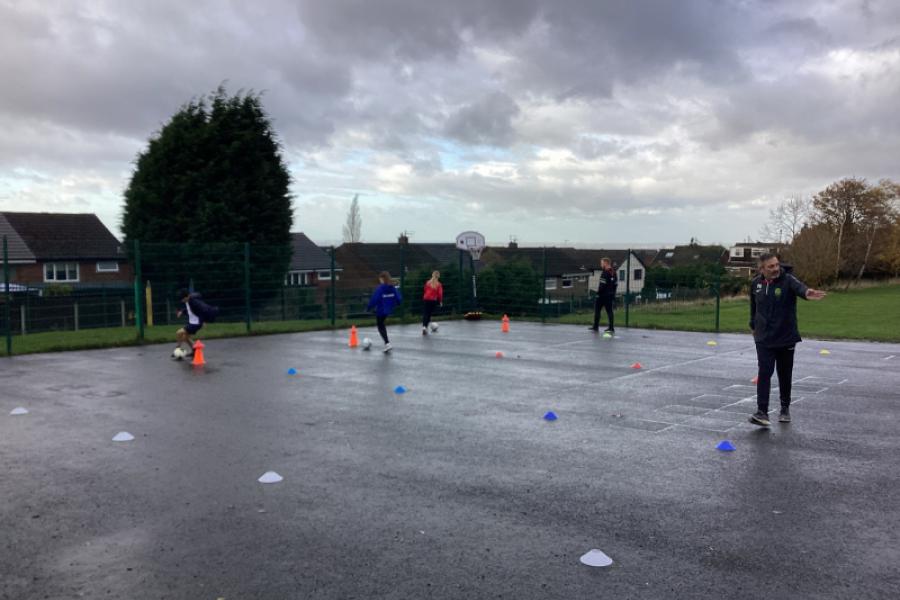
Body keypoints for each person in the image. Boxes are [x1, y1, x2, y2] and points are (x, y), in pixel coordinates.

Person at [748, 254, 826, 426]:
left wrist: (807, 293)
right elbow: (754, 308)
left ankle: (784, 408)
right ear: (762, 269)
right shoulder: (756, 284)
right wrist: (753, 326)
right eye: (771, 266)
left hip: (785, 337)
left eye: (776, 265)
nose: (775, 269)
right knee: (764, 372)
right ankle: (762, 412)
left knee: (784, 374)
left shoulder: (788, 280)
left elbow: (800, 289)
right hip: (763, 338)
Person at [175, 288, 219, 356]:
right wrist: (182, 312)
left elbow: (203, 310)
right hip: (192, 322)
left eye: (183, 299)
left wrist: (203, 321)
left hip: (196, 323)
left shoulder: (194, 302)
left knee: (179, 333)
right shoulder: (188, 301)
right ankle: (195, 350)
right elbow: (189, 310)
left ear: (187, 296)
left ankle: (177, 350)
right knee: (185, 337)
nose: (182, 301)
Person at [367, 271, 403, 353]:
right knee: (382, 324)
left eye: (380, 279)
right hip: (388, 310)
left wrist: (369, 307)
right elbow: (398, 297)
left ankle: (387, 343)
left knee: (380, 326)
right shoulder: (392, 287)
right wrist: (397, 303)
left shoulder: (381, 288)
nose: (380, 281)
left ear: (382, 279)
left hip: (380, 310)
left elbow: (374, 299)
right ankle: (387, 343)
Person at [589, 257, 618, 333]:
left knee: (597, 310)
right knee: (610, 311)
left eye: (601, 263)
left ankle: (595, 327)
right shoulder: (614, 272)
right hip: (610, 295)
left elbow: (602, 285)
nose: (601, 265)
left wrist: (598, 293)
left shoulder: (604, 273)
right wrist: (613, 293)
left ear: (605, 263)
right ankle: (611, 328)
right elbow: (615, 284)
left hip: (602, 295)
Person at [421, 270, 443, 335]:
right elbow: (440, 294)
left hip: (426, 299)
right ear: (438, 276)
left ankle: (424, 327)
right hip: (433, 300)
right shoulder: (439, 284)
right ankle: (426, 327)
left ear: (432, 275)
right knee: (429, 314)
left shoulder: (427, 283)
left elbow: (424, 290)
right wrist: (440, 301)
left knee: (425, 313)